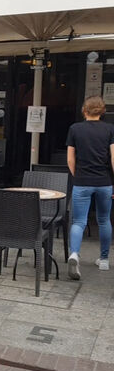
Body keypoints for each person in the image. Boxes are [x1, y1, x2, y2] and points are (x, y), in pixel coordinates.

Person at [67, 96, 114, 280]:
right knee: (104, 220)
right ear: (102, 111)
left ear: (84, 110)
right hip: (104, 182)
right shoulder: (110, 129)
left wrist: (76, 175)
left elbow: (71, 159)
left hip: (82, 181)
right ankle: (104, 259)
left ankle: (74, 254)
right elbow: (113, 158)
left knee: (79, 221)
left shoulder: (75, 129)